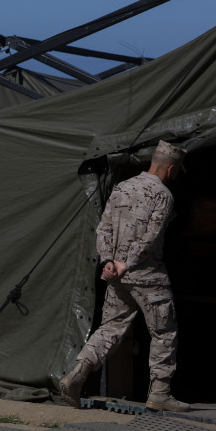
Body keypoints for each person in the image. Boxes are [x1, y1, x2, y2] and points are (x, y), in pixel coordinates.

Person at [59, 140, 189, 412]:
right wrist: (126, 263)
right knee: (164, 331)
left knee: (110, 328)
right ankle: (160, 393)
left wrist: (109, 261)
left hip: (118, 276)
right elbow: (150, 238)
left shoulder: (122, 187)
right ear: (172, 168)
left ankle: (77, 374)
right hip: (148, 275)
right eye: (177, 172)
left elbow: (103, 228)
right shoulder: (163, 194)